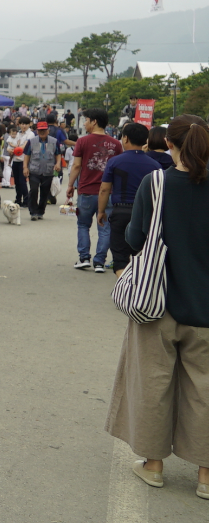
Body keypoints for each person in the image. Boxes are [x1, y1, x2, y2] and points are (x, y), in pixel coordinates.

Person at [106, 114, 209, 500]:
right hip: (206, 307)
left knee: (152, 381)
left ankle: (153, 466)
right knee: (205, 388)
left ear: (169, 144)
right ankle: (205, 476)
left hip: (159, 303)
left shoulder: (158, 182)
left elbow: (134, 239)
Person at [97, 123, 159, 274]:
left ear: (125, 138)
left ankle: (126, 290)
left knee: (120, 258)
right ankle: (139, 289)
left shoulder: (115, 161)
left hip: (121, 210)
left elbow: (104, 189)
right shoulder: (155, 165)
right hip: (145, 213)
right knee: (141, 254)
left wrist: (101, 211)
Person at [67, 108, 123, 273]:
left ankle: (84, 258)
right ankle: (99, 262)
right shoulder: (116, 144)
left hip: (86, 190)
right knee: (105, 227)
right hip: (108, 193)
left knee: (83, 224)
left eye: (86, 120)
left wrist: (70, 185)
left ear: (94, 121)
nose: (84, 123)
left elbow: (76, 165)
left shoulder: (82, 142)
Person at [21, 121, 61, 221]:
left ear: (48, 130)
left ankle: (40, 211)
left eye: (44, 130)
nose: (42, 132)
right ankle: (33, 212)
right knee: (33, 190)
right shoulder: (31, 141)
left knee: (45, 193)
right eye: (40, 130)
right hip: (34, 170)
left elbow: (58, 154)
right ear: (37, 131)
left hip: (48, 171)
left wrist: (58, 163)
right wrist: (25, 167)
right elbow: (27, 155)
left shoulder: (54, 141)